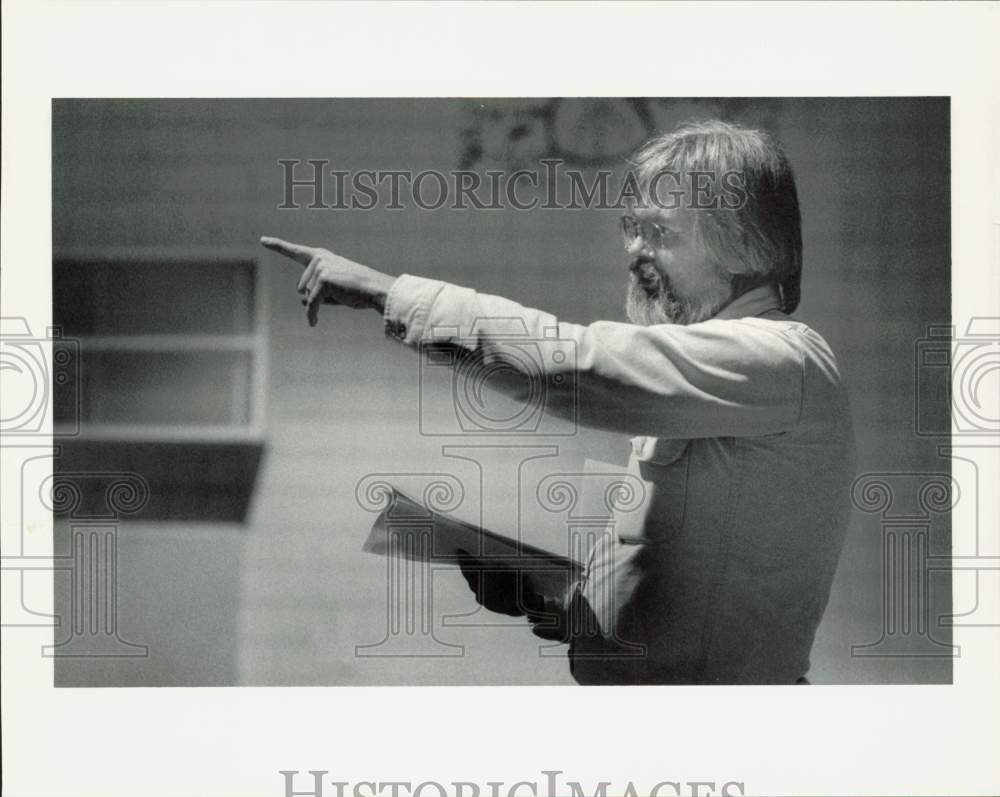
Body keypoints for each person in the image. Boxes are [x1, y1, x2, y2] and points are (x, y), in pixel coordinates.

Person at [260, 120, 856, 685]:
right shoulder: (739, 373)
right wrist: (558, 597)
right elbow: (689, 603)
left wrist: (387, 293)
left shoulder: (776, 356)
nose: (635, 253)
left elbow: (571, 365)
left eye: (661, 233)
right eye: (632, 228)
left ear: (743, 241)